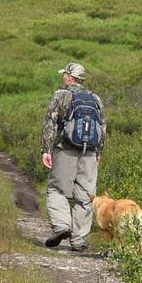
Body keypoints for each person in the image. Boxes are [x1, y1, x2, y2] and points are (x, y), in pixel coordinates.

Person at [41, 61, 106, 252]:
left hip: (65, 150)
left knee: (57, 190)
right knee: (85, 197)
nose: (64, 77)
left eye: (65, 75)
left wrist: (45, 149)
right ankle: (78, 241)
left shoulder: (60, 95)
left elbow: (50, 123)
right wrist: (99, 152)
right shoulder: (96, 99)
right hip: (89, 153)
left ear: (70, 77)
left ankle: (62, 226)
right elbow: (102, 128)